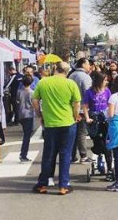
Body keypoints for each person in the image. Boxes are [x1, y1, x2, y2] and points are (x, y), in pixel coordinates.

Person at [32, 61, 81, 196]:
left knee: (49, 154)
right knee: (65, 154)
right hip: (68, 122)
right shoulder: (71, 84)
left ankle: (43, 183)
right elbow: (76, 104)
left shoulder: (43, 82)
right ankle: (63, 185)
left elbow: (35, 100)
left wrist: (40, 115)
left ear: (55, 69)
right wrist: (75, 116)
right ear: (67, 71)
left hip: (50, 124)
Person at [83, 71, 113, 179]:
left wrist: (111, 116)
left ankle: (109, 169)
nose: (107, 82)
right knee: (98, 141)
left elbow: (110, 105)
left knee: (107, 144)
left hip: (105, 119)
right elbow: (85, 106)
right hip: (94, 119)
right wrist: (87, 118)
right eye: (105, 80)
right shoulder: (89, 92)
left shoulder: (107, 91)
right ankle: (98, 152)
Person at [69, 57, 93, 163]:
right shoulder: (85, 77)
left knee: (73, 133)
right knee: (82, 133)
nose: (89, 66)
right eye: (88, 64)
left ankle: (72, 156)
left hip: (71, 108)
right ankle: (83, 155)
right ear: (83, 64)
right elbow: (88, 93)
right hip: (83, 108)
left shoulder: (71, 75)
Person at [15, 74, 36, 162]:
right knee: (27, 136)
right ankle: (23, 154)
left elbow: (17, 101)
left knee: (26, 134)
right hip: (29, 114)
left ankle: (23, 154)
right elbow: (34, 104)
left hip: (21, 114)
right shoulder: (32, 92)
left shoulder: (19, 91)